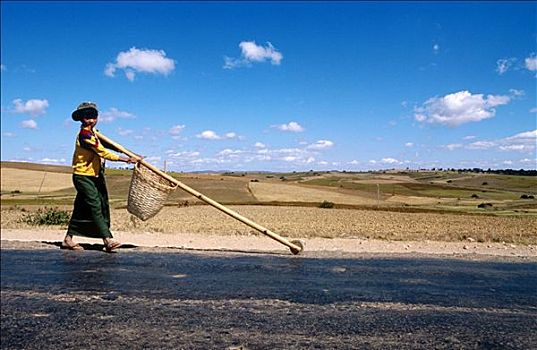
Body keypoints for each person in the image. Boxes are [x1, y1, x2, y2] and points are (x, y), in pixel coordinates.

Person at [63, 102, 139, 252]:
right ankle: (107, 239)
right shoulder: (85, 135)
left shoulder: (94, 133)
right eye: (87, 117)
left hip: (94, 176)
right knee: (95, 205)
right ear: (81, 119)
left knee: (81, 208)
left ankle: (68, 239)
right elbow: (102, 151)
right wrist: (125, 160)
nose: (91, 120)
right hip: (83, 176)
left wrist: (130, 153)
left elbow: (108, 144)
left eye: (93, 117)